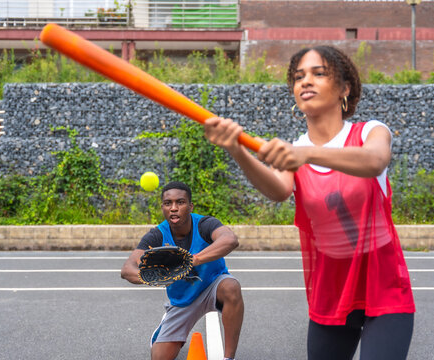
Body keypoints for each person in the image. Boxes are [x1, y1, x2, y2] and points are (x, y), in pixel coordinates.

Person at [203, 45, 415, 360]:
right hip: (330, 293)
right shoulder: (294, 152)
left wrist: (308, 154)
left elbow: (375, 161)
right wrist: (237, 150)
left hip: (383, 287)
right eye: (299, 76)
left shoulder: (369, 132)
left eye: (318, 73)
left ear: (344, 88)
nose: (306, 81)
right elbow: (276, 190)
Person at [121, 181, 244, 360]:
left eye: (180, 202)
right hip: (182, 301)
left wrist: (192, 260)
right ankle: (164, 328)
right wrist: (151, 276)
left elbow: (230, 239)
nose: (173, 208)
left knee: (232, 286)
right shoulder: (157, 235)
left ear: (190, 206)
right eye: (168, 203)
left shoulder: (204, 224)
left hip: (213, 287)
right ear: (162, 207)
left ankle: (229, 358)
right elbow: (127, 269)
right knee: (159, 357)